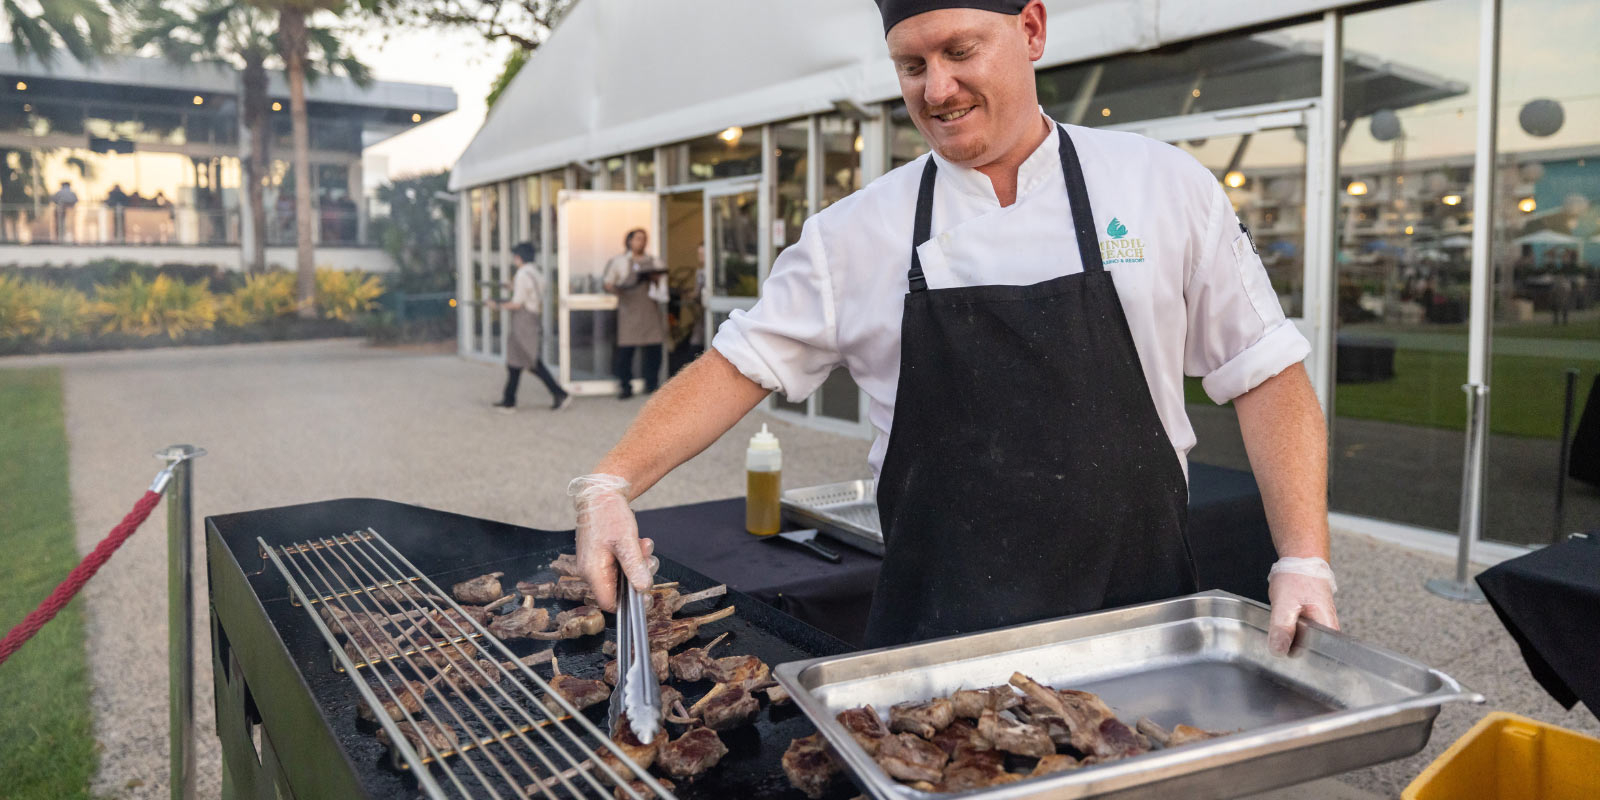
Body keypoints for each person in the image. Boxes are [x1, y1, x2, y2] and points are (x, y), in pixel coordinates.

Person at [568, 0, 1337, 655]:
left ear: (1032, 29)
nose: (937, 88)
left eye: (959, 51)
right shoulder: (854, 233)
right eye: (911, 65)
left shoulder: (1162, 186)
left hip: (1138, 621)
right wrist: (611, 480)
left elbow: (1266, 371)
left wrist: (1304, 558)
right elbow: (737, 365)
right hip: (936, 640)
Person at [493, 242, 571, 412]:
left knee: (532, 361)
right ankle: (509, 401)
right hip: (531, 318)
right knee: (513, 362)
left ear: (518, 257)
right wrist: (511, 287)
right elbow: (530, 292)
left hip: (523, 321)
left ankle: (560, 393)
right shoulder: (536, 273)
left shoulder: (521, 274)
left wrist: (496, 305)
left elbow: (516, 303)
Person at [602, 228, 668, 398]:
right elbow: (608, 283)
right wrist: (618, 288)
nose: (641, 242)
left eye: (644, 239)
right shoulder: (619, 262)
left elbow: (663, 287)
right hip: (628, 312)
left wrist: (655, 280)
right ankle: (625, 386)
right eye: (638, 239)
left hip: (649, 312)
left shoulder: (654, 262)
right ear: (630, 241)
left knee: (654, 350)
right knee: (625, 353)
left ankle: (651, 384)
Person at [667, 242, 708, 377]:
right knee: (695, 344)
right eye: (699, 254)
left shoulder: (712, 271)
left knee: (700, 344)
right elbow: (698, 292)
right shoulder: (700, 271)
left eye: (703, 254)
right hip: (701, 315)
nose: (700, 257)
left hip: (708, 315)